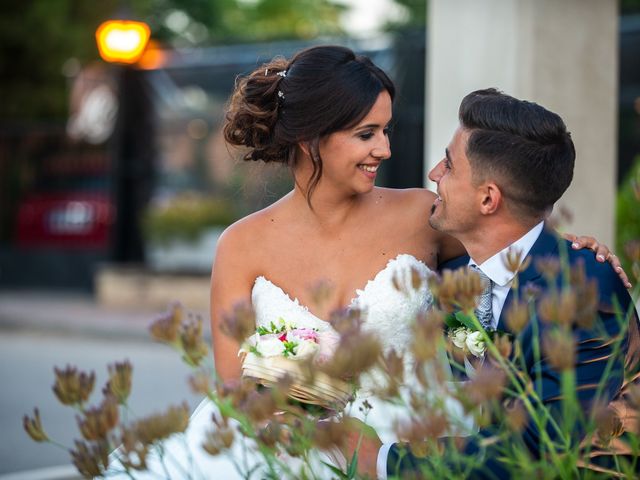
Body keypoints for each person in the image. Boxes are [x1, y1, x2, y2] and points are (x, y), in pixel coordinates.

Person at [107, 48, 625, 479]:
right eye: (366, 133)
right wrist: (298, 401)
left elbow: (510, 241)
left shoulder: (425, 216)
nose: (385, 148)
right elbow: (232, 389)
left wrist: (578, 249)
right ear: (312, 139)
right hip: (287, 443)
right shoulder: (239, 245)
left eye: (386, 130)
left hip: (408, 439)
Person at [348, 88, 639, 479]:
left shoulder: (583, 291)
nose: (434, 173)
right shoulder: (451, 277)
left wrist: (381, 461)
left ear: (489, 199)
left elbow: (544, 450)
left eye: (449, 165)